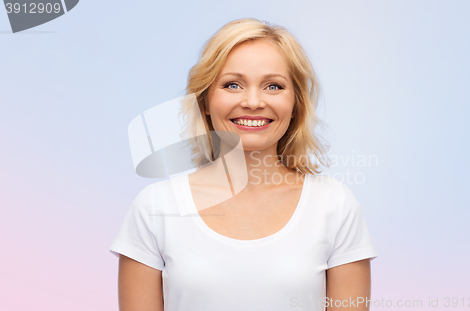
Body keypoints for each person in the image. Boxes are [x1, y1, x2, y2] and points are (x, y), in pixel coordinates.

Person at [109, 18, 378, 311]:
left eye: (273, 86)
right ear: (205, 102)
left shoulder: (334, 206)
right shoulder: (155, 208)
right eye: (232, 84)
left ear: (295, 105)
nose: (252, 101)